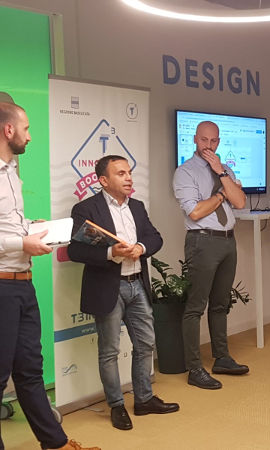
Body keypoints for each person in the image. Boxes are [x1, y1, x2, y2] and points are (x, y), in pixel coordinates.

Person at [0, 101, 98, 450]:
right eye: (26, 128)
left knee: (29, 370)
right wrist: (21, 242)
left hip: (22, 284)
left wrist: (31, 227)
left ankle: (55, 444)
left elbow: (7, 224)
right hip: (1, 287)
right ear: (8, 130)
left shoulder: (11, 171)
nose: (29, 136)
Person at [68, 155, 179, 431]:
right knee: (110, 351)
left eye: (129, 172)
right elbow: (75, 250)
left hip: (137, 284)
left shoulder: (137, 207)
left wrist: (141, 247)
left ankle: (144, 400)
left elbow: (155, 237)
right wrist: (110, 252)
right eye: (121, 173)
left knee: (145, 344)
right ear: (103, 180)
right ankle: (116, 405)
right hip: (109, 286)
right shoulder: (86, 208)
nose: (129, 177)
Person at [173, 121, 249, 391]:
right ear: (195, 139)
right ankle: (194, 368)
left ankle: (222, 358)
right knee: (196, 306)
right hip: (202, 241)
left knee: (220, 304)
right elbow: (195, 212)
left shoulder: (225, 169)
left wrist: (221, 174)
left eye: (214, 141)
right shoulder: (185, 172)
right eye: (204, 140)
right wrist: (220, 194)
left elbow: (240, 202)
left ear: (219, 141)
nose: (209, 145)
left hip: (228, 240)